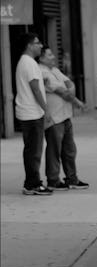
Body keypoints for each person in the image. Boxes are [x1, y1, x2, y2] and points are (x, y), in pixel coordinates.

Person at [38, 45, 89, 190]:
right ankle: (53, 180)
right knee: (54, 150)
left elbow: (69, 84)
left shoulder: (54, 70)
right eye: (49, 55)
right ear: (41, 58)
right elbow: (64, 92)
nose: (53, 57)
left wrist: (71, 92)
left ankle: (72, 178)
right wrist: (74, 97)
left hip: (65, 116)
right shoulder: (42, 72)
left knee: (70, 150)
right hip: (54, 118)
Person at [15, 33, 52, 195]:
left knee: (31, 150)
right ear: (29, 45)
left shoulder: (26, 62)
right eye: (37, 43)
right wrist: (46, 109)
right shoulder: (28, 63)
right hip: (31, 113)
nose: (41, 45)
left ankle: (31, 182)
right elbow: (35, 88)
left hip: (29, 112)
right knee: (34, 151)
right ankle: (32, 184)